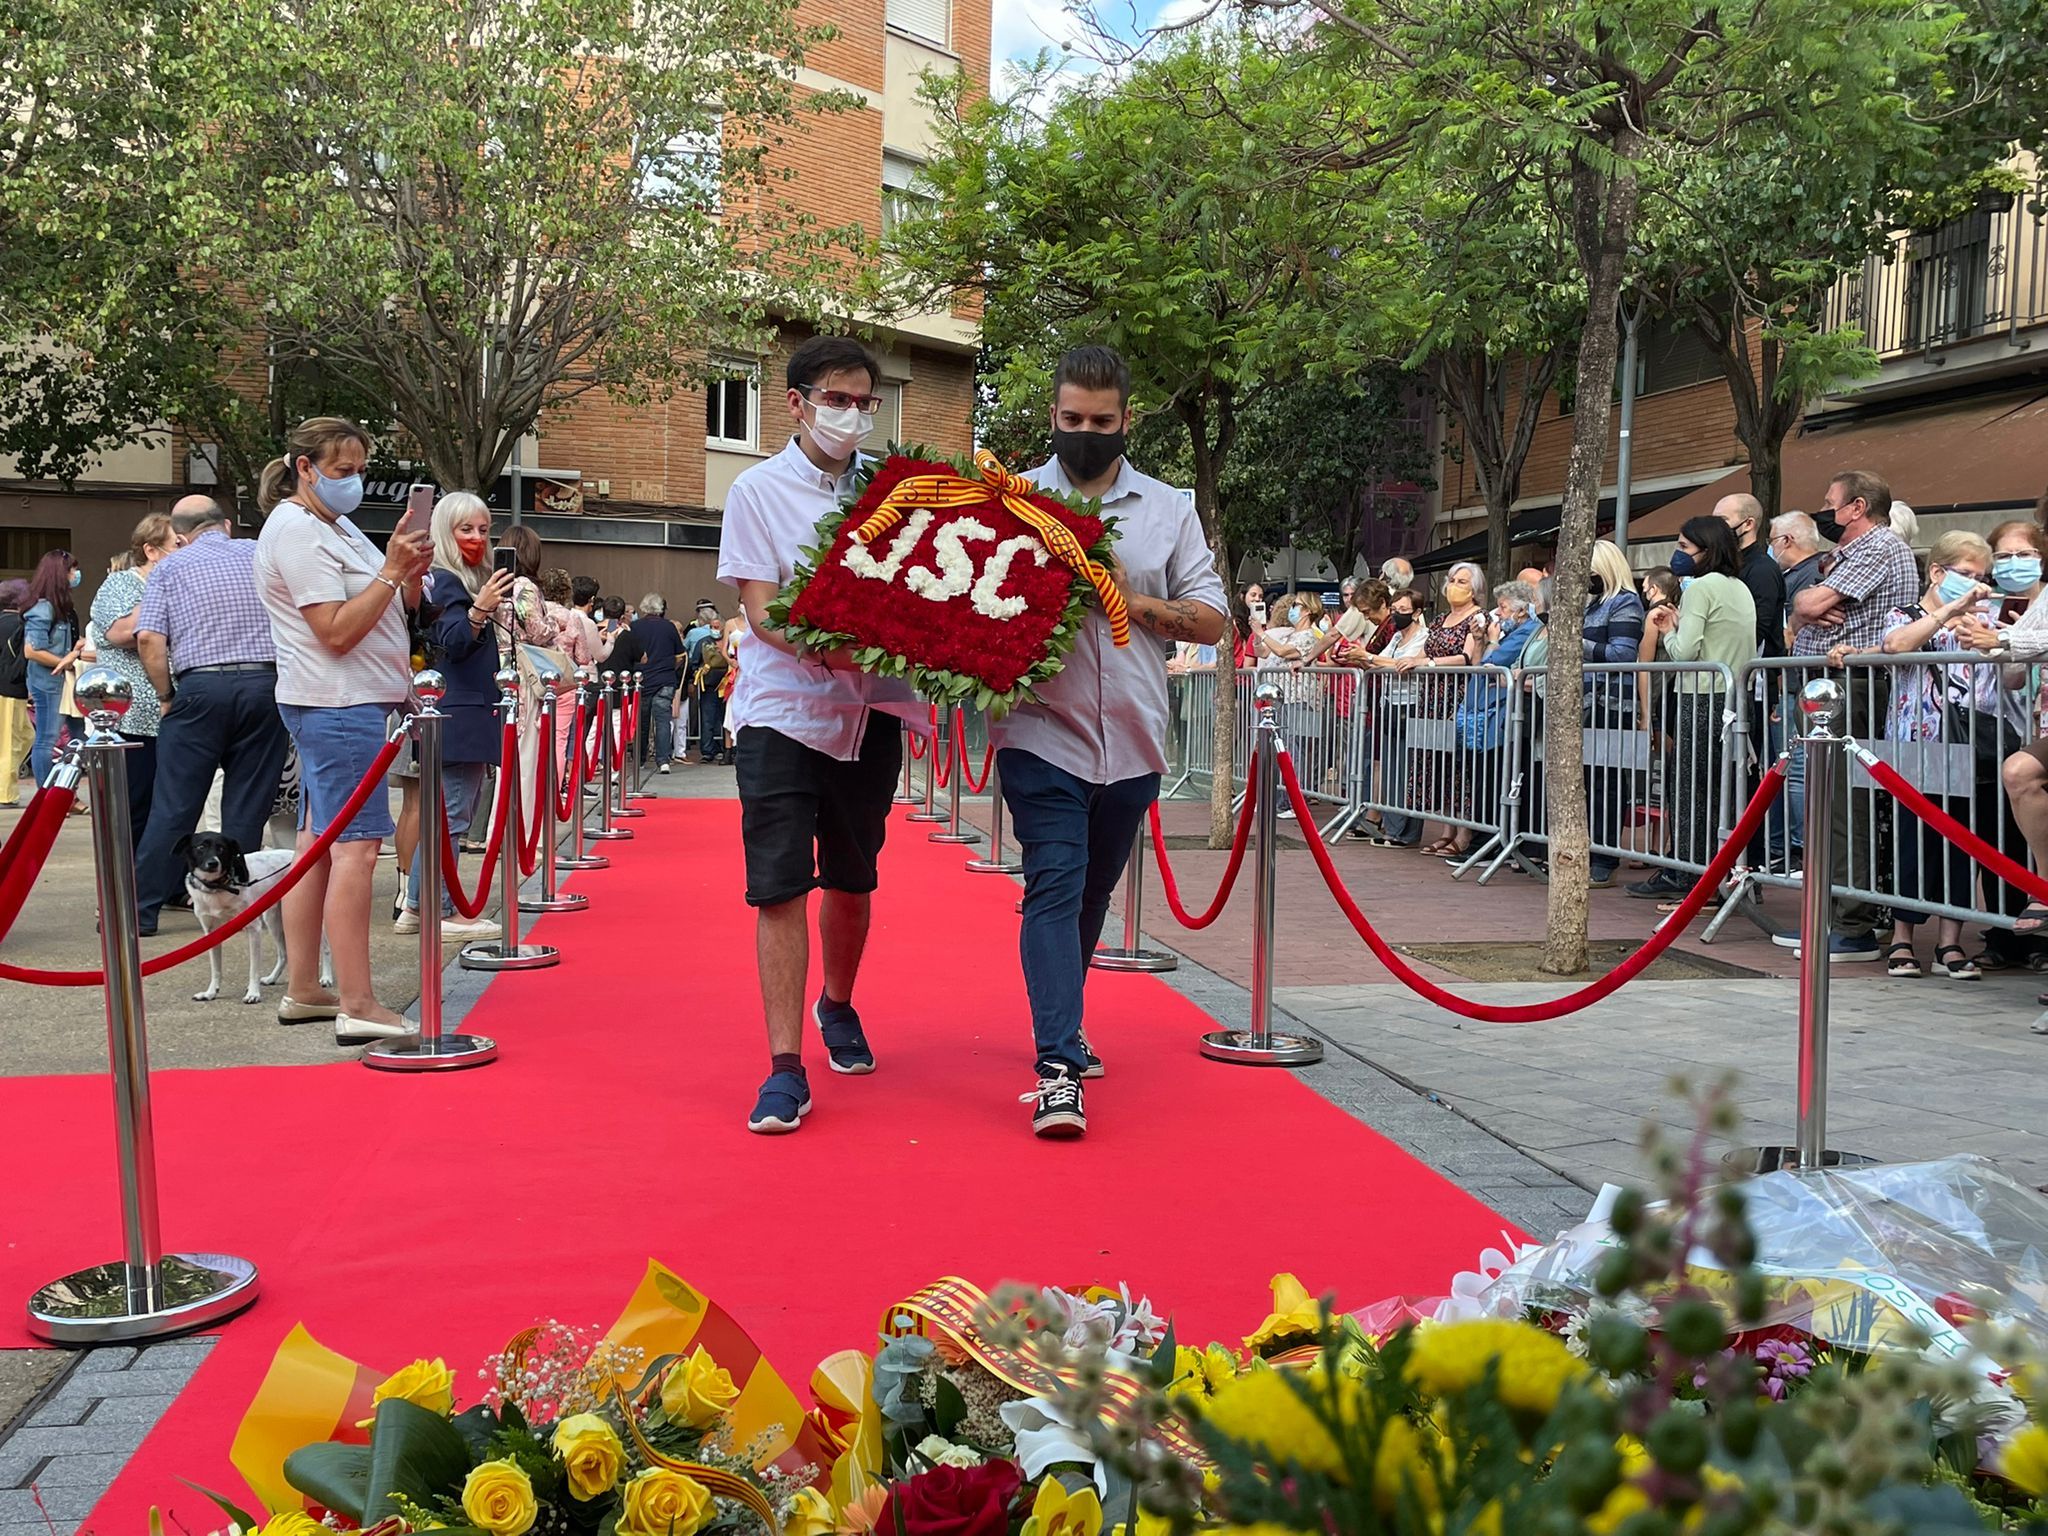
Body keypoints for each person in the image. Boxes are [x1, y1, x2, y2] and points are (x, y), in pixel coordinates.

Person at [994, 344, 1227, 1138]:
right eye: (1070, 420)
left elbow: (1211, 619)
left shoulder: (1170, 508)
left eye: (1100, 421)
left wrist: (1122, 597)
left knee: (1091, 894)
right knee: (1054, 883)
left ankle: (1065, 1014)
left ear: (1127, 419)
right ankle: (1058, 1066)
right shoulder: (1013, 501)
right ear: (1052, 417)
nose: (1085, 432)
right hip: (1038, 729)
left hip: (1132, 736)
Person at [717, 334, 908, 1135]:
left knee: (853, 882)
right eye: (837, 399)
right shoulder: (757, 491)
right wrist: (829, 644)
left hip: (867, 713)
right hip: (780, 711)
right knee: (781, 885)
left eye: (866, 401)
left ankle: (838, 1004)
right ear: (794, 403)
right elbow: (763, 613)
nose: (853, 414)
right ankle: (784, 1069)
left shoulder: (896, 495)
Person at [254, 416, 433, 1041]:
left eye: (360, 470)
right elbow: (333, 630)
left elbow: (382, 610)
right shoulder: (299, 532)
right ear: (305, 468)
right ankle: (357, 1001)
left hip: (344, 701)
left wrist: (404, 577)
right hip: (339, 704)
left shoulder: (331, 525)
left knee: (317, 846)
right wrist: (390, 574)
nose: (354, 481)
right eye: (342, 471)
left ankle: (307, 986)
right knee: (355, 849)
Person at [130, 498, 296, 934]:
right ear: (225, 524)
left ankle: (141, 911)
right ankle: (238, 901)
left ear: (180, 536)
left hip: (200, 688)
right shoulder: (261, 554)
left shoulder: (170, 567)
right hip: (265, 686)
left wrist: (166, 695)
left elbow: (148, 638)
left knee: (174, 806)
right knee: (247, 806)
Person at [1777, 469, 1920, 962]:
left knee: (1842, 804)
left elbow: (1813, 601)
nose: (1827, 511)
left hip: (1852, 686)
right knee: (1825, 801)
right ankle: (1831, 914)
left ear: (1857, 507)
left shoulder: (1876, 547)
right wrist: (1801, 611)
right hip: (1829, 684)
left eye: (1831, 503)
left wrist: (1806, 606)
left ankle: (1853, 922)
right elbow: (1801, 608)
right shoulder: (1847, 554)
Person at [1874, 530, 2013, 980]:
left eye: (1982, 576)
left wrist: (1991, 637)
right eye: (1966, 574)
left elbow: (2002, 680)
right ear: (1937, 572)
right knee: (1912, 839)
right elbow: (1895, 645)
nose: (1977, 585)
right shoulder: (1905, 613)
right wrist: (1949, 611)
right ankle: (1903, 937)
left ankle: (1950, 943)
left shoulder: (1984, 620)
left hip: (1968, 742)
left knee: (1961, 839)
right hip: (1916, 743)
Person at [395, 492, 514, 941]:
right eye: (466, 529)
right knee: (452, 817)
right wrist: (481, 610)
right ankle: (437, 909)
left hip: (458, 709)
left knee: (445, 815)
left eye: (484, 529)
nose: (477, 538)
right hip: (458, 712)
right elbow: (453, 641)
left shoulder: (454, 579)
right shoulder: (445, 580)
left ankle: (416, 904)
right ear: (446, 531)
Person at [1633, 516, 1757, 907]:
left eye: (1685, 547)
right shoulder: (1741, 588)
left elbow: (1686, 651)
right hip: (1733, 698)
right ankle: (1716, 878)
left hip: (1702, 696)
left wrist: (1670, 627)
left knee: (1691, 791)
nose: (1679, 555)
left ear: (1707, 549)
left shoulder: (1701, 588)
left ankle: (1693, 881)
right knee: (1719, 792)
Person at [88, 514, 175, 845]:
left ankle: (166, 882)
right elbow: (124, 632)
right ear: (152, 551)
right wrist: (162, 585)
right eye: (176, 544)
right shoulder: (121, 584)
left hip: (173, 714)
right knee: (135, 804)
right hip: (134, 718)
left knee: (168, 806)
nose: (185, 550)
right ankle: (131, 887)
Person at [1406, 561, 1489, 859]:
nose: (1455, 585)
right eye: (1453, 579)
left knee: (1460, 765)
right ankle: (1445, 830)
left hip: (1459, 695)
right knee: (1438, 760)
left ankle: (1464, 833)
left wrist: (1427, 664)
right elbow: (1424, 650)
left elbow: (1466, 657)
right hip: (1432, 698)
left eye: (1463, 581)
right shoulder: (1440, 619)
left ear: (1476, 588)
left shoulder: (1478, 617)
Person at [1580, 540, 1647, 888]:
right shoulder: (1590, 604)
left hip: (1611, 702)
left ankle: (1605, 856)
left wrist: (1575, 640)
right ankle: (1588, 850)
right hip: (1585, 700)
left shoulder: (1625, 602)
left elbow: (1623, 653)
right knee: (1588, 780)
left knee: (1607, 781)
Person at [1359, 589, 1430, 847]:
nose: (1397, 615)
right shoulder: (1397, 637)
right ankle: (1392, 825)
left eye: (1403, 610)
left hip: (1410, 705)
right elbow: (1384, 661)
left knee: (1407, 767)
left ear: (1417, 612)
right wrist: (1371, 660)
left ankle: (1405, 830)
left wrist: (1369, 658)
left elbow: (1396, 664)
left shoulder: (1424, 637)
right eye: (1395, 609)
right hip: (1389, 703)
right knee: (1391, 767)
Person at [19, 550, 85, 789]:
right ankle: (46, 795)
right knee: (47, 740)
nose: (76, 574)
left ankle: (67, 792)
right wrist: (65, 659)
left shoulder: (64, 608)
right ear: (60, 574)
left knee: (80, 739)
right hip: (49, 683)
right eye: (72, 570)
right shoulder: (43, 608)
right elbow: (32, 650)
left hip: (67, 682)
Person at [627, 594, 687, 772]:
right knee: (663, 721)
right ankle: (663, 760)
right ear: (660, 608)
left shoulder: (635, 627)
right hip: (665, 679)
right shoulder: (669, 627)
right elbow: (680, 654)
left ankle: (640, 759)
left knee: (642, 722)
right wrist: (670, 667)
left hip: (641, 679)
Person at [0, 580, 30, 808]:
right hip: (11, 690)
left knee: (18, 737)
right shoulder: (20, 625)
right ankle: (5, 793)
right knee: (15, 740)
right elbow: (22, 660)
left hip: (6, 689)